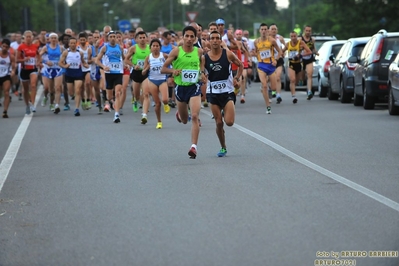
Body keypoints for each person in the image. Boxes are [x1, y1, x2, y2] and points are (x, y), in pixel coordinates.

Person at [161, 25, 205, 159]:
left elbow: (202, 63)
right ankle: (180, 113)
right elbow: (163, 69)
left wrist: (202, 73)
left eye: (192, 36)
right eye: (187, 36)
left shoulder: (199, 52)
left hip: (194, 87)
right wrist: (172, 71)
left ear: (195, 38)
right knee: (185, 120)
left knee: (195, 116)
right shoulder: (176, 52)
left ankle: (193, 147)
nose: (190, 39)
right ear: (183, 37)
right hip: (180, 89)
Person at [201, 31, 243, 157]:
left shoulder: (228, 54)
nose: (214, 40)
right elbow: (202, 71)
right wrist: (202, 75)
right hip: (212, 93)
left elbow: (240, 65)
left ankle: (226, 110)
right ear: (209, 41)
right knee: (219, 122)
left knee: (229, 122)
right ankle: (223, 147)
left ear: (220, 41)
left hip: (227, 92)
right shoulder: (205, 58)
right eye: (212, 38)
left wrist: (237, 78)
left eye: (216, 38)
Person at [95, 31, 125, 123]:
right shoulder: (105, 47)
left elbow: (124, 58)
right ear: (108, 38)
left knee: (118, 93)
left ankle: (116, 114)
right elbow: (97, 60)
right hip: (109, 74)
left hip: (118, 73)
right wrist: (104, 67)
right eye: (111, 36)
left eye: (114, 36)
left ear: (116, 38)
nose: (112, 38)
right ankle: (110, 101)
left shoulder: (120, 47)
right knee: (110, 96)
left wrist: (127, 64)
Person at [141, 38, 170, 129]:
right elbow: (143, 72)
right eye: (153, 46)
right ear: (150, 48)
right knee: (157, 103)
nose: (155, 47)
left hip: (162, 80)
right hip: (152, 81)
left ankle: (166, 104)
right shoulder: (148, 57)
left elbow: (173, 62)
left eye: (157, 46)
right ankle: (159, 122)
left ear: (160, 47)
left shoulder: (164, 56)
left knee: (165, 99)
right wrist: (147, 68)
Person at [254, 23, 282, 113]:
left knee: (273, 87)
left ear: (268, 31)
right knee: (264, 85)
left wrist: (276, 60)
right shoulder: (256, 42)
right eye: (262, 29)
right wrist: (253, 55)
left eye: (265, 29)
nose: (263, 31)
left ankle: (270, 90)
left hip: (271, 65)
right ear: (259, 31)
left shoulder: (272, 41)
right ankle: (268, 106)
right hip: (261, 65)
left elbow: (280, 51)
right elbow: (255, 52)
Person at [58, 37, 89, 116]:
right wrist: (65, 66)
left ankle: (77, 109)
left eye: (74, 43)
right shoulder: (66, 52)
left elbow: (83, 62)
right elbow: (60, 63)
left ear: (76, 44)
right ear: (69, 44)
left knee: (78, 90)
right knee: (71, 93)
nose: (72, 44)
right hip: (69, 73)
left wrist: (85, 65)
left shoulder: (80, 52)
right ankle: (75, 97)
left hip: (78, 73)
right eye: (71, 43)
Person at [281, 31, 312, 103]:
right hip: (291, 63)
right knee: (292, 79)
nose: (293, 38)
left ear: (297, 36)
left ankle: (293, 88)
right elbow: (282, 51)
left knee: (296, 81)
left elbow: (309, 52)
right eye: (291, 36)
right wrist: (282, 54)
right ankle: (293, 96)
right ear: (290, 37)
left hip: (299, 63)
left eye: (294, 36)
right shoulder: (288, 44)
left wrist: (301, 55)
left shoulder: (301, 43)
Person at [124, 31, 150, 112]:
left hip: (146, 72)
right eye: (140, 38)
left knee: (146, 93)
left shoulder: (150, 48)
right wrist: (134, 65)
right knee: (137, 94)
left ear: (146, 39)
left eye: (144, 38)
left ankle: (145, 110)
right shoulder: (133, 48)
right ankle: (135, 100)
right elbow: (126, 60)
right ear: (137, 40)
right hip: (136, 72)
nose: (142, 39)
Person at [39, 33, 65, 114]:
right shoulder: (46, 47)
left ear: (57, 39)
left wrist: (63, 63)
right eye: (52, 38)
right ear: (49, 39)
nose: (53, 39)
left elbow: (65, 56)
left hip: (58, 69)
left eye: (55, 38)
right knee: (50, 90)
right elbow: (38, 57)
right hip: (48, 70)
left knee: (58, 88)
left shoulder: (61, 48)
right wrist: (45, 61)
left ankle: (57, 105)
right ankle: (50, 102)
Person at [17, 30, 40, 114]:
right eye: (27, 37)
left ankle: (33, 104)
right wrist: (24, 60)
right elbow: (16, 60)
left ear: (32, 38)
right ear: (24, 38)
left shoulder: (35, 46)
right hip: (24, 70)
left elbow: (38, 55)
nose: (29, 38)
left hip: (33, 69)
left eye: (30, 37)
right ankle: (27, 105)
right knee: (25, 89)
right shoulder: (21, 47)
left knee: (33, 85)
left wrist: (38, 62)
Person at [299, 25, 319, 100]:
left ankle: (309, 91)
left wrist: (316, 52)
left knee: (310, 74)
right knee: (303, 75)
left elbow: (313, 49)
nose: (308, 32)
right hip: (302, 59)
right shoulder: (300, 39)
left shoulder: (312, 40)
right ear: (304, 30)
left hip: (309, 58)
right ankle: (301, 80)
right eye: (306, 31)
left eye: (309, 31)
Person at [269, 24, 286, 103]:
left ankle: (278, 95)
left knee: (278, 77)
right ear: (269, 30)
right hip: (269, 61)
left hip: (278, 59)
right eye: (272, 29)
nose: (274, 30)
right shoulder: (266, 39)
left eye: (275, 29)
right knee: (270, 78)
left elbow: (286, 46)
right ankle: (271, 91)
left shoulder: (280, 38)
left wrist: (283, 52)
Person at [0, 39, 16, 118]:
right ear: (1, 46)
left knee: (6, 92)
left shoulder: (11, 56)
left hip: (6, 76)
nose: (4, 48)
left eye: (6, 47)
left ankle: (5, 111)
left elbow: (13, 67)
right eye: (3, 46)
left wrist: (12, 72)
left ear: (9, 48)